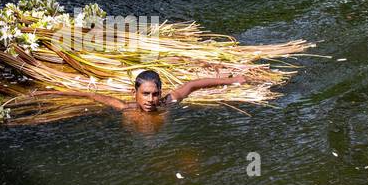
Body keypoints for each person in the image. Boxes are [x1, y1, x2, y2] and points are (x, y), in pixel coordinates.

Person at [74, 69, 247, 114]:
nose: (150, 99)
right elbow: (92, 95)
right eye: (145, 94)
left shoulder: (168, 102)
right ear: (134, 93)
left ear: (160, 92)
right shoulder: (126, 108)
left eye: (155, 94)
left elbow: (194, 84)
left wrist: (232, 80)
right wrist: (53, 93)